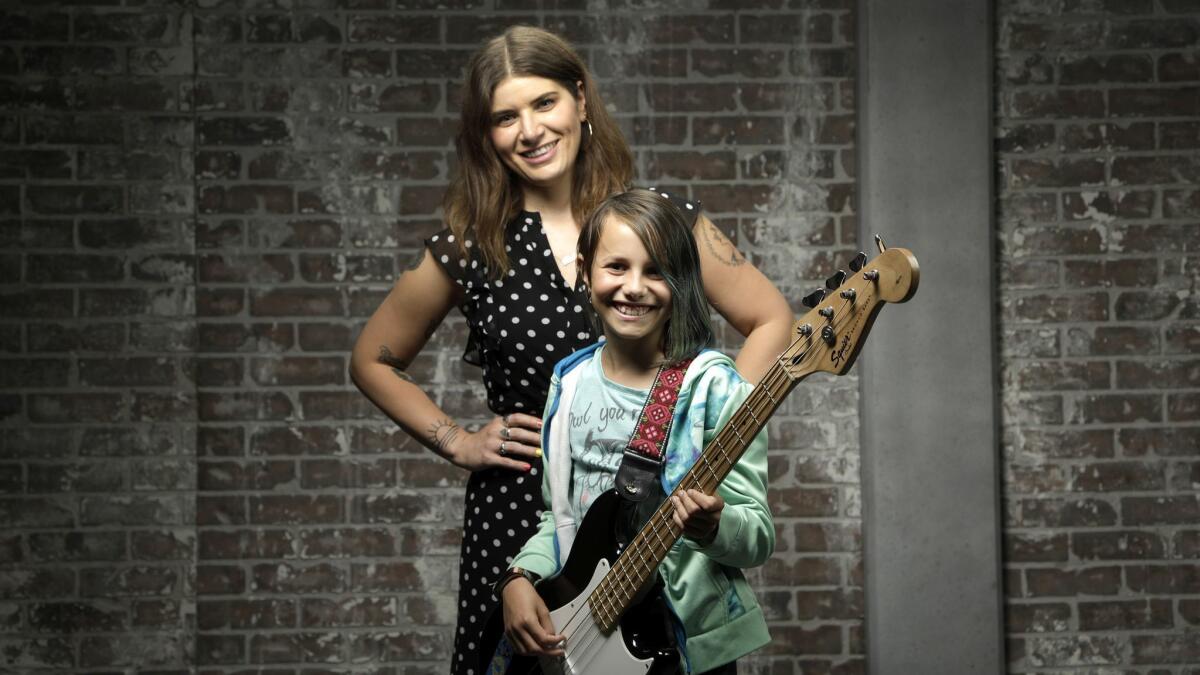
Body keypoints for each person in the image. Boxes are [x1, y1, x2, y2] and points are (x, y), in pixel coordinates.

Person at [348, 26, 791, 674]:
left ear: (580, 100)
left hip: (648, 511)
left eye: (544, 103)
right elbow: (371, 358)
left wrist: (708, 434)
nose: (529, 129)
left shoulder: (656, 218)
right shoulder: (470, 244)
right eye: (505, 116)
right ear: (486, 133)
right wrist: (456, 438)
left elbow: (773, 317)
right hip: (521, 518)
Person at [497, 189, 773, 674]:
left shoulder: (713, 386)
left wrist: (714, 525)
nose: (634, 287)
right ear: (584, 270)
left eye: (656, 271)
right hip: (586, 635)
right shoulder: (570, 380)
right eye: (617, 267)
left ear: (682, 282)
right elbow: (558, 518)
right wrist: (519, 576)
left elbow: (757, 535)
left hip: (681, 643)